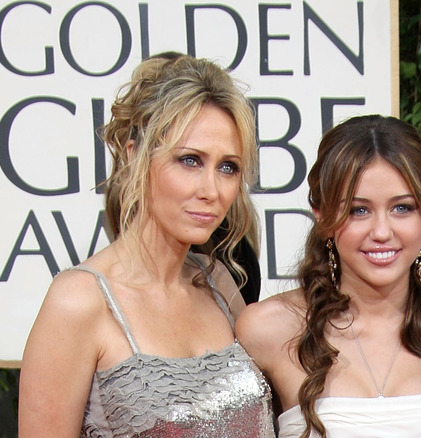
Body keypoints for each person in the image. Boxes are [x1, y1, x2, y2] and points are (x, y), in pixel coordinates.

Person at [18, 54, 275, 437]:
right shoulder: (78, 301)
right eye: (190, 160)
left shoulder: (219, 283)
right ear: (134, 153)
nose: (211, 191)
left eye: (228, 167)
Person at [237, 114, 421, 438]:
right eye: (359, 210)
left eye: (402, 208)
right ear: (322, 216)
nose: (382, 232)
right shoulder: (268, 330)